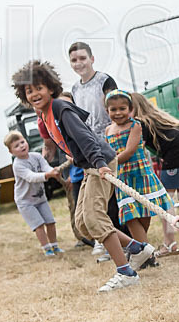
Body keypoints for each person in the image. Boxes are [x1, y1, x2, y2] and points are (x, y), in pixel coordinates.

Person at [11, 60, 154, 292]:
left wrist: (100, 164)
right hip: (89, 166)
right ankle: (138, 249)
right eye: (29, 90)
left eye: (39, 88)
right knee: (83, 224)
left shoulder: (60, 108)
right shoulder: (46, 115)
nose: (35, 93)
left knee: (96, 218)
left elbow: (85, 137)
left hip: (100, 163)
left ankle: (125, 272)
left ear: (50, 88)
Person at [67, 41, 128, 257]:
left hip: (108, 141)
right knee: (97, 198)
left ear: (92, 59)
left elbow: (115, 105)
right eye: (74, 60)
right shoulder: (75, 88)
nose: (79, 63)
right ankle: (104, 238)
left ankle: (120, 238)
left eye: (82, 58)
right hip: (89, 145)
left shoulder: (104, 80)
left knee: (111, 195)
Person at [130, 92, 179, 255]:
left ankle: (169, 243)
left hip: (178, 153)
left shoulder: (140, 122)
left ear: (133, 107)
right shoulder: (157, 117)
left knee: (165, 200)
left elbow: (138, 149)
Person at [104, 89, 173, 266]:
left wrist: (107, 165)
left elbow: (129, 151)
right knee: (129, 216)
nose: (118, 113)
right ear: (107, 111)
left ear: (131, 109)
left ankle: (145, 252)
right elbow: (106, 151)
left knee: (143, 214)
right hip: (122, 179)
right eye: (113, 109)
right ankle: (146, 254)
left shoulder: (135, 126)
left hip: (139, 175)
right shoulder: (107, 130)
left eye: (122, 108)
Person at [38, 91, 93, 248]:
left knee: (93, 209)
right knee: (76, 208)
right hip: (74, 171)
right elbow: (52, 146)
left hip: (89, 167)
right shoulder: (44, 120)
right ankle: (83, 238)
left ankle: (100, 240)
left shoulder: (72, 118)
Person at [4, 131, 65, 257]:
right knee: (39, 224)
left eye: (22, 142)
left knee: (50, 222)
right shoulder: (18, 165)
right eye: (16, 146)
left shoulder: (36, 156)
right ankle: (46, 248)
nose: (21, 146)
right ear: (11, 152)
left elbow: (45, 167)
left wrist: (52, 171)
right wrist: (48, 175)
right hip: (25, 201)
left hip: (40, 198)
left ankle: (55, 246)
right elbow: (31, 177)